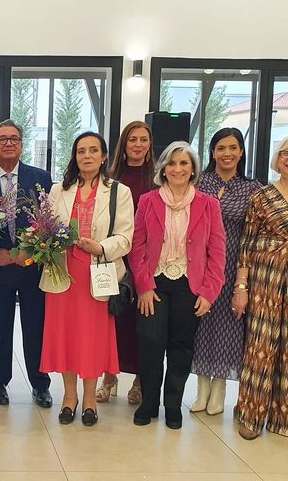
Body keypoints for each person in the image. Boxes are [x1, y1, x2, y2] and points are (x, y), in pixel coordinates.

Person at [128, 141, 226, 429]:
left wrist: (209, 292)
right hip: (154, 283)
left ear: (193, 169)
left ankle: (173, 403)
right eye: (172, 163)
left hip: (190, 285)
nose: (178, 169)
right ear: (164, 168)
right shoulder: (148, 200)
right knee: (150, 342)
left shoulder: (209, 204)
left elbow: (218, 252)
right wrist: (144, 285)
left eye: (184, 163)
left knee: (181, 347)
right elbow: (137, 246)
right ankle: (149, 402)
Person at [40, 132, 133, 426]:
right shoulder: (59, 190)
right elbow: (46, 226)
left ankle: (91, 398)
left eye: (94, 150)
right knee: (66, 336)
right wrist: (49, 239)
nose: (87, 156)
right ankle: (70, 396)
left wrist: (101, 247)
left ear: (104, 156)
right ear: (74, 156)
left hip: (98, 273)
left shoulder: (119, 192)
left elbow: (126, 237)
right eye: (81, 151)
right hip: (63, 273)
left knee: (91, 339)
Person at [233, 134, 288, 440]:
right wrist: (240, 286)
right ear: (277, 157)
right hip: (264, 280)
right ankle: (251, 415)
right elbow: (246, 243)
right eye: (287, 153)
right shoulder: (262, 196)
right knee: (261, 347)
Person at [0, 119, 54, 409]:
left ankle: (40, 383)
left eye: (14, 138)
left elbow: (50, 222)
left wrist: (31, 251)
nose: (8, 143)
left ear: (21, 144)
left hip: (32, 265)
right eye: (2, 139)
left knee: (36, 325)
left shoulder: (41, 178)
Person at [191, 128, 262, 415]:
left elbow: (254, 232)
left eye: (233, 147)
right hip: (200, 263)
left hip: (234, 265)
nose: (227, 153)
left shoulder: (253, 188)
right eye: (221, 148)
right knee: (201, 324)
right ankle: (201, 387)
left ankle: (219, 388)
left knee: (227, 326)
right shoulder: (200, 183)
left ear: (242, 152)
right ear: (212, 152)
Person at [102, 120, 156, 404]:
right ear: (124, 145)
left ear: (149, 145)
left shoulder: (159, 179)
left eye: (143, 139)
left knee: (143, 323)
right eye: (132, 139)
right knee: (115, 317)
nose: (138, 144)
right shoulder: (110, 178)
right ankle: (109, 378)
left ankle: (139, 381)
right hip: (115, 258)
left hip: (148, 260)